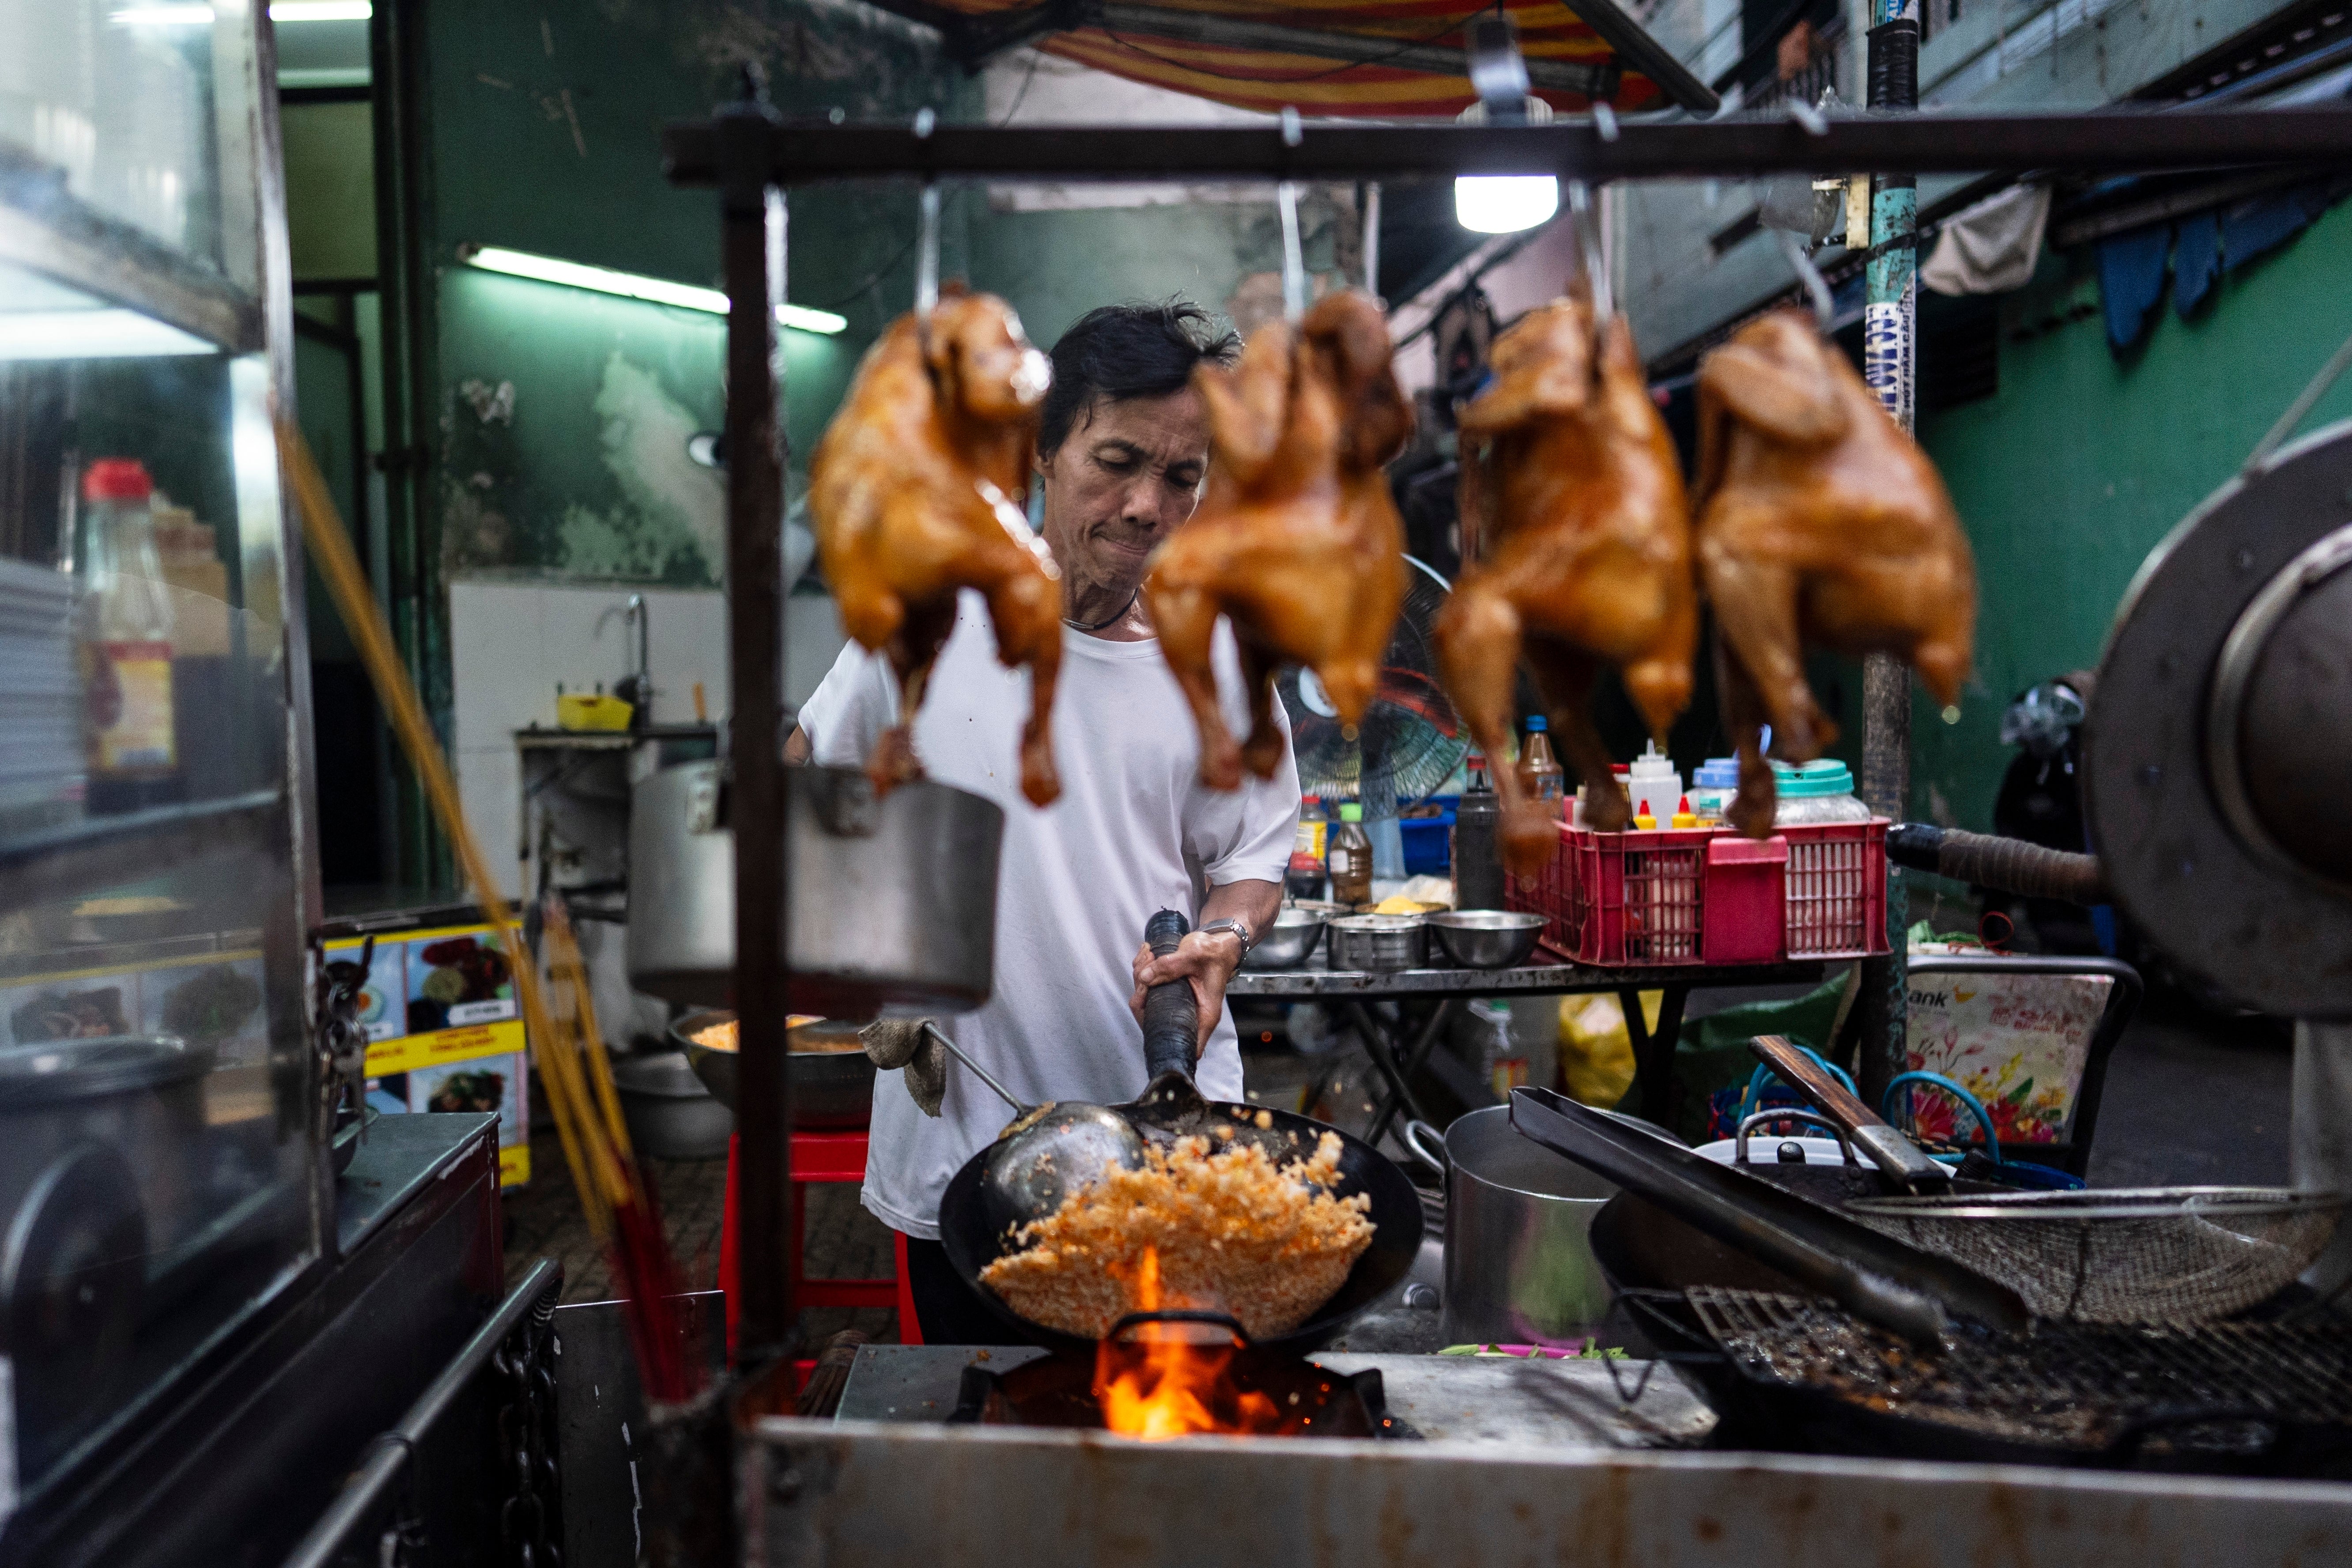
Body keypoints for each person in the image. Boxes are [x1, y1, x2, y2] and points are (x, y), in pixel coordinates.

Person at [789, 301, 1302, 1343]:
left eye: (1182, 478)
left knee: (1163, 1455)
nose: (1148, 505)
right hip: (964, 1151)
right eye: (1115, 461)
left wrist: (1227, 938)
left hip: (1163, 1138)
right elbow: (808, 785)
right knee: (994, 1453)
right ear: (1042, 453)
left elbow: (1251, 861)